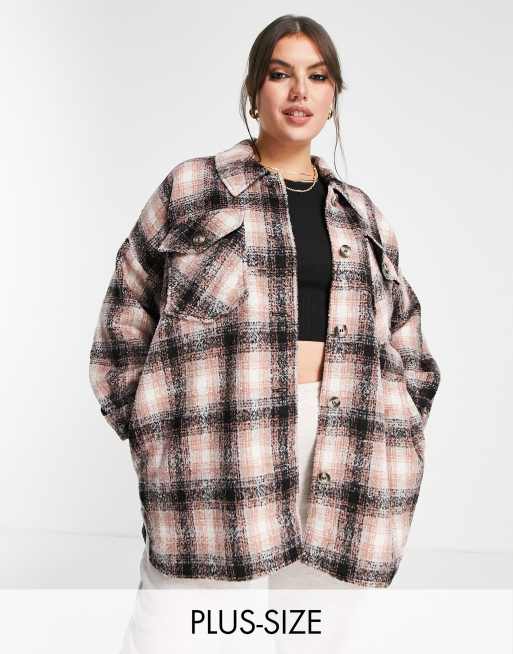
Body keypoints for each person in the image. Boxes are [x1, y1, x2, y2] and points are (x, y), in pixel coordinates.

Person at [89, 13, 441, 619]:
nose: (300, 91)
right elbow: (123, 318)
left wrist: (402, 430)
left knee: (323, 634)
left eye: (318, 77)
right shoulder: (194, 187)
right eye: (281, 74)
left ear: (334, 96)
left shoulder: (362, 215)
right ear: (254, 90)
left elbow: (408, 343)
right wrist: (157, 433)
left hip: (347, 454)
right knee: (183, 629)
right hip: (217, 450)